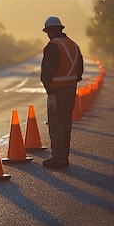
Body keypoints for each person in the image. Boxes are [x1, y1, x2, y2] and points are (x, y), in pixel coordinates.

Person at [40, 16, 84, 169]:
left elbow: (46, 73)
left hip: (56, 92)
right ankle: (64, 157)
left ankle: (58, 159)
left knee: (56, 124)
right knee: (66, 124)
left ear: (49, 31)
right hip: (71, 91)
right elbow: (80, 72)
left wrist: (49, 91)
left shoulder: (53, 46)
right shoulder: (74, 45)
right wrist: (69, 83)